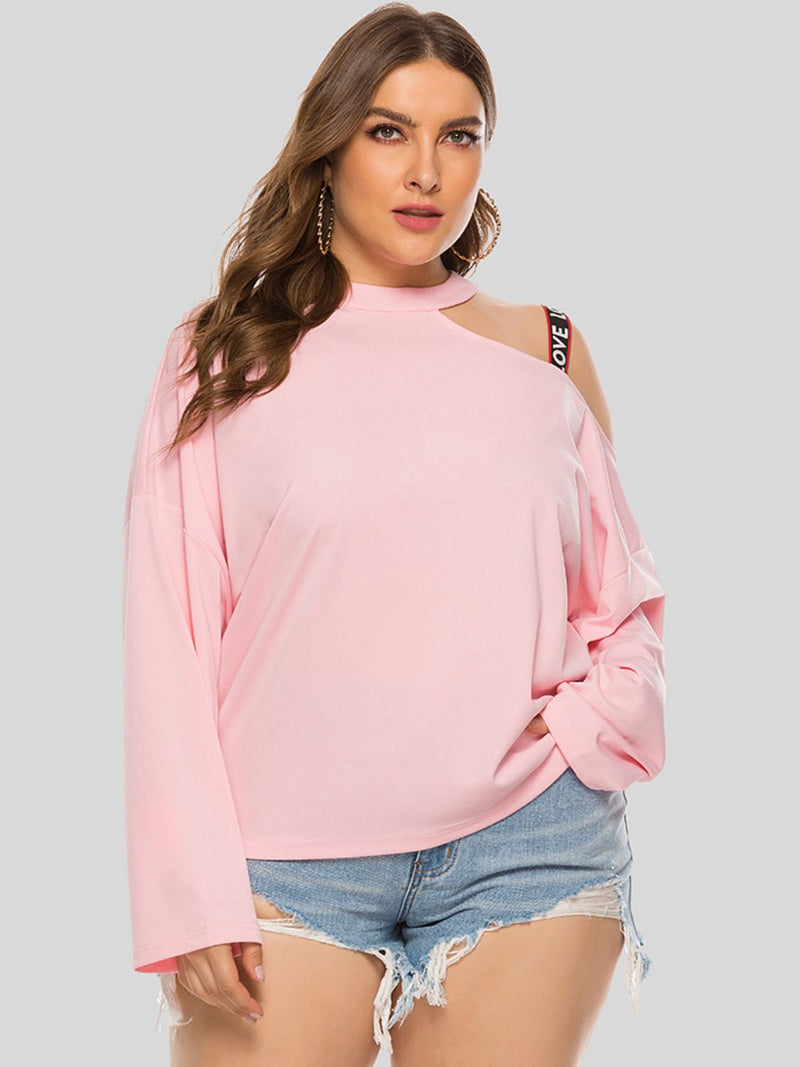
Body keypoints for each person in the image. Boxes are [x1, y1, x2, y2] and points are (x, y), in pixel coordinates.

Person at [121, 4, 667, 1064]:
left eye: (458, 135)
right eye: (388, 131)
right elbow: (169, 634)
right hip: (280, 866)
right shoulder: (224, 352)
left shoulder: (546, 349)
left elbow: (620, 593)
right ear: (328, 147)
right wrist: (189, 889)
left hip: (530, 848)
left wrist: (591, 727)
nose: (426, 171)